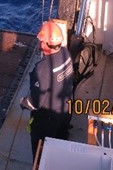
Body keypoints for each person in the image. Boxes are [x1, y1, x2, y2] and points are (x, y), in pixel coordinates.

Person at [20, 20, 74, 160]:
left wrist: (24, 102)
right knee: (60, 143)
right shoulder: (66, 54)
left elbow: (36, 103)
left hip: (47, 119)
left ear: (44, 43)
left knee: (41, 153)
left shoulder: (43, 69)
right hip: (65, 110)